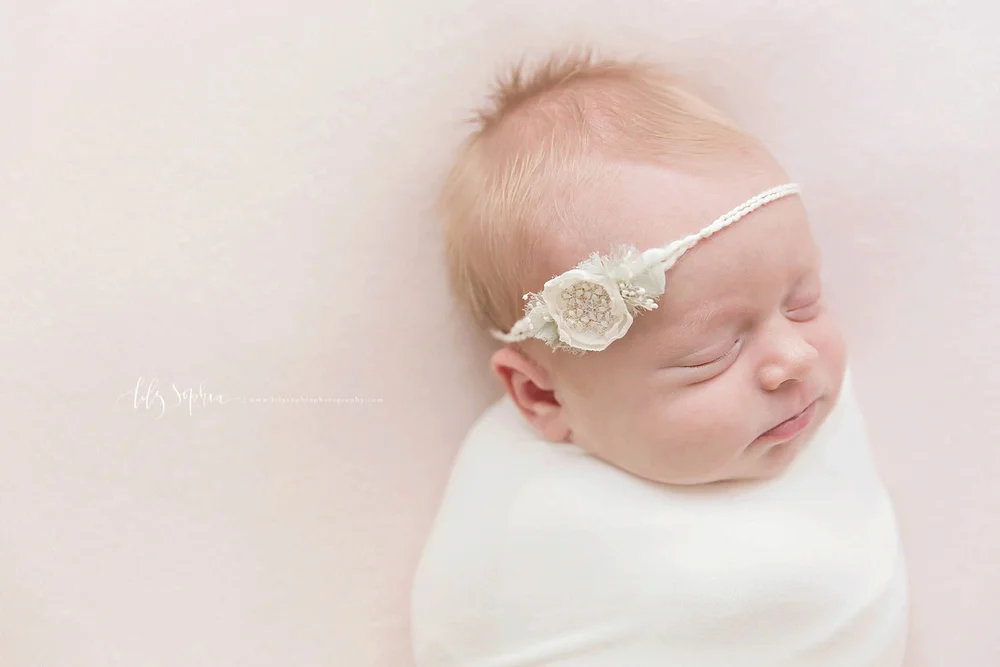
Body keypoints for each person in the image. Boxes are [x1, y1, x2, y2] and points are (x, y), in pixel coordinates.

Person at [411, 49, 908, 666]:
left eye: (802, 302)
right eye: (711, 354)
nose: (796, 357)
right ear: (542, 395)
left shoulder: (808, 396)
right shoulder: (527, 529)